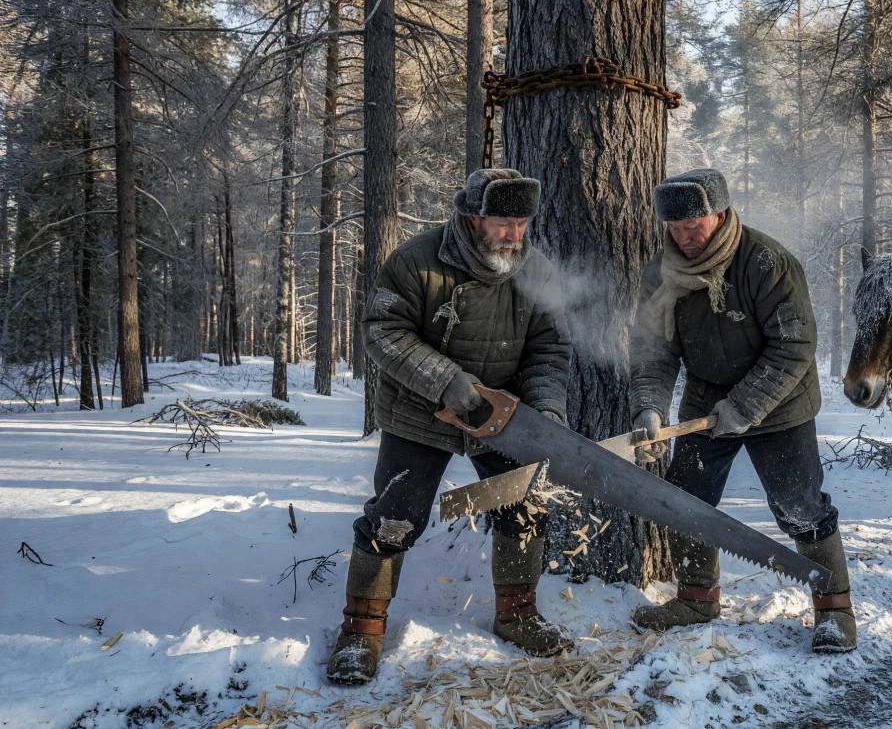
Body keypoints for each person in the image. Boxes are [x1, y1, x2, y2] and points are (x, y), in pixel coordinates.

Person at [326, 168, 572, 685]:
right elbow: (381, 332)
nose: (513, 235)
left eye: (522, 223)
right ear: (472, 216)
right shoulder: (417, 260)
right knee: (395, 516)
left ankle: (518, 614)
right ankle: (361, 629)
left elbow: (549, 349)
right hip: (420, 411)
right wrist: (446, 382)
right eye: (503, 223)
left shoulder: (536, 272)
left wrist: (546, 412)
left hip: (502, 414)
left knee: (524, 504)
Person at [627, 168, 857, 653]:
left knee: (800, 507)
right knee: (686, 499)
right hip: (706, 400)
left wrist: (746, 405)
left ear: (722, 214)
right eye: (676, 228)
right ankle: (696, 600)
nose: (686, 238)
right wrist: (650, 405)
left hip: (780, 403)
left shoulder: (767, 262)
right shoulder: (662, 273)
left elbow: (794, 346)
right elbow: (653, 350)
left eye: (696, 225)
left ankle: (834, 609)